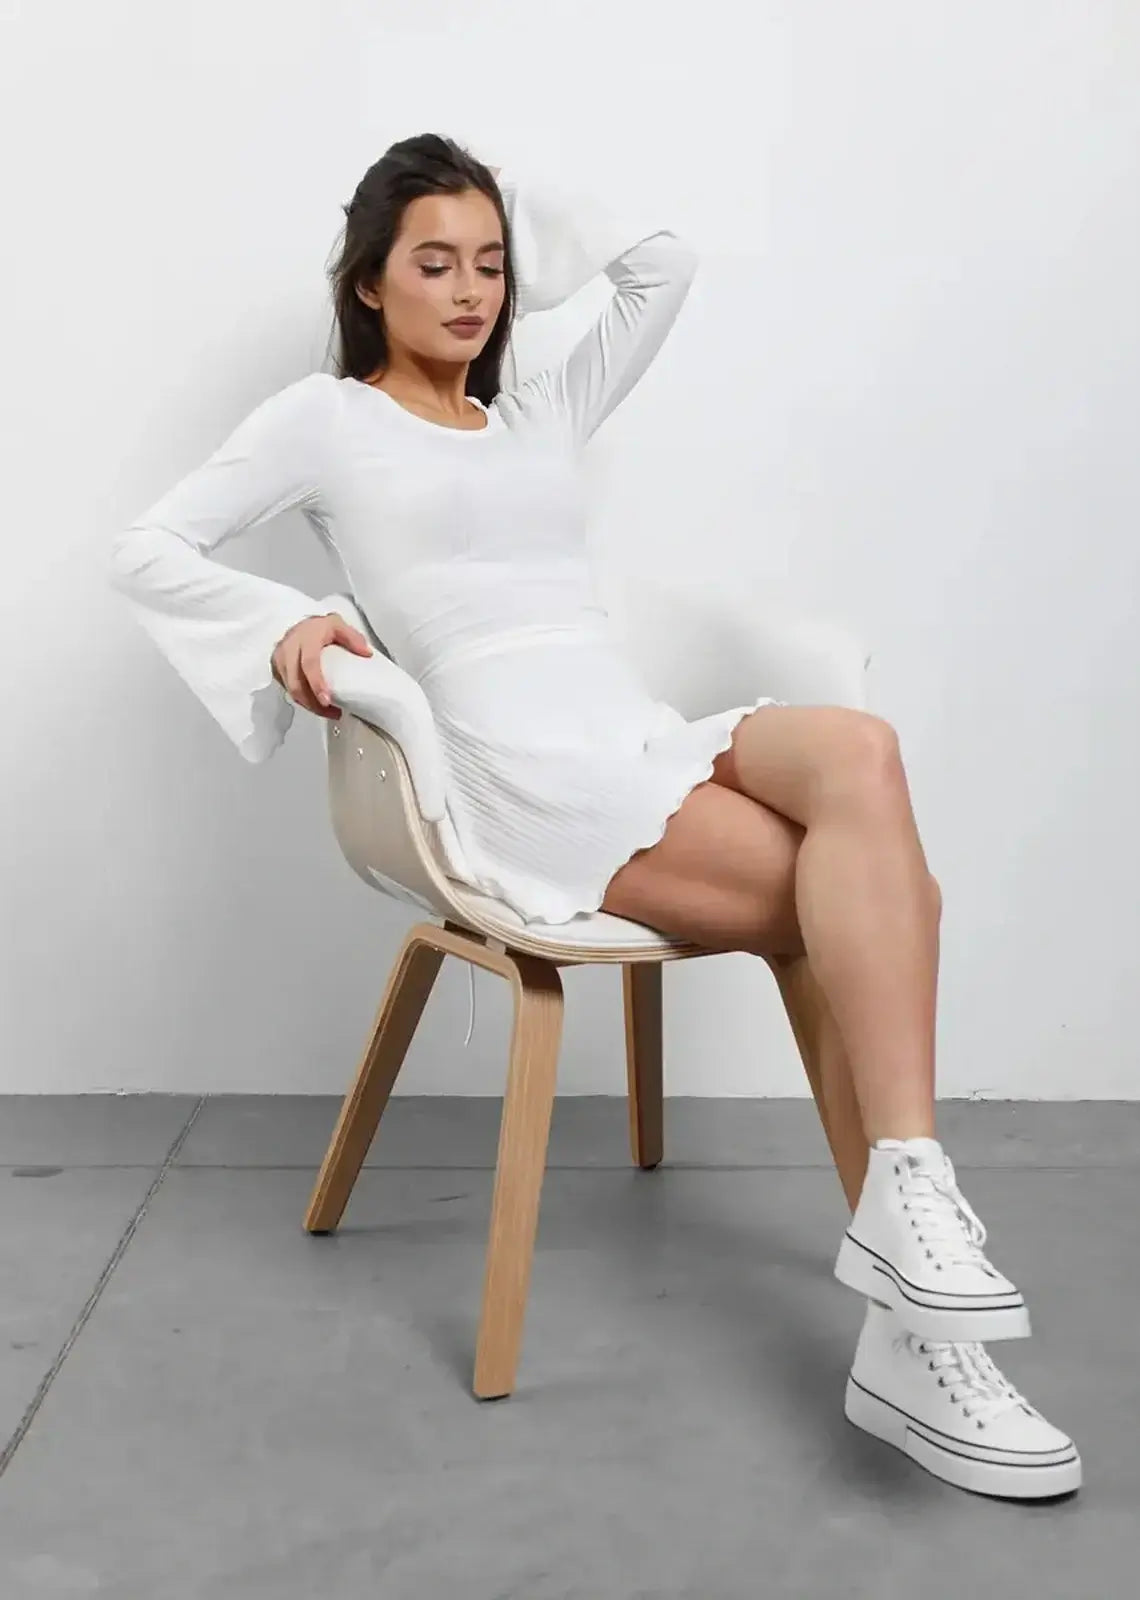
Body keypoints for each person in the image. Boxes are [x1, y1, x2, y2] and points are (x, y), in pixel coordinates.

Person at [109, 131, 1081, 1499]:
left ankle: (908, 1219)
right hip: (521, 771)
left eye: (492, 265)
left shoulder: (540, 406)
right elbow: (146, 546)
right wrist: (295, 622)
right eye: (433, 263)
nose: (470, 292)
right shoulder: (321, 420)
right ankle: (919, 1325)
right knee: (855, 902)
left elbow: (660, 265)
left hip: (629, 730)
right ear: (369, 283)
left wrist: (525, 223)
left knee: (858, 755)